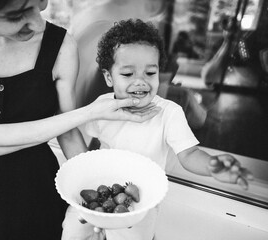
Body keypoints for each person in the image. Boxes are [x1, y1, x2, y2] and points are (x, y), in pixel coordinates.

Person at [0, 2, 160, 240]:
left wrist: (94, 206)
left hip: (37, 182)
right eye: (17, 14)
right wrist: (90, 112)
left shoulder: (61, 46)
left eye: (40, 4)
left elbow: (69, 133)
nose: (38, 24)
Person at [61, 19, 253, 240]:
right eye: (127, 74)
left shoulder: (169, 113)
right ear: (108, 77)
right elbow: (94, 148)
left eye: (150, 73)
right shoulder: (102, 106)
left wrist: (213, 167)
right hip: (102, 193)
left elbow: (189, 154)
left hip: (140, 206)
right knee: (72, 231)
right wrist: (93, 195)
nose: (141, 81)